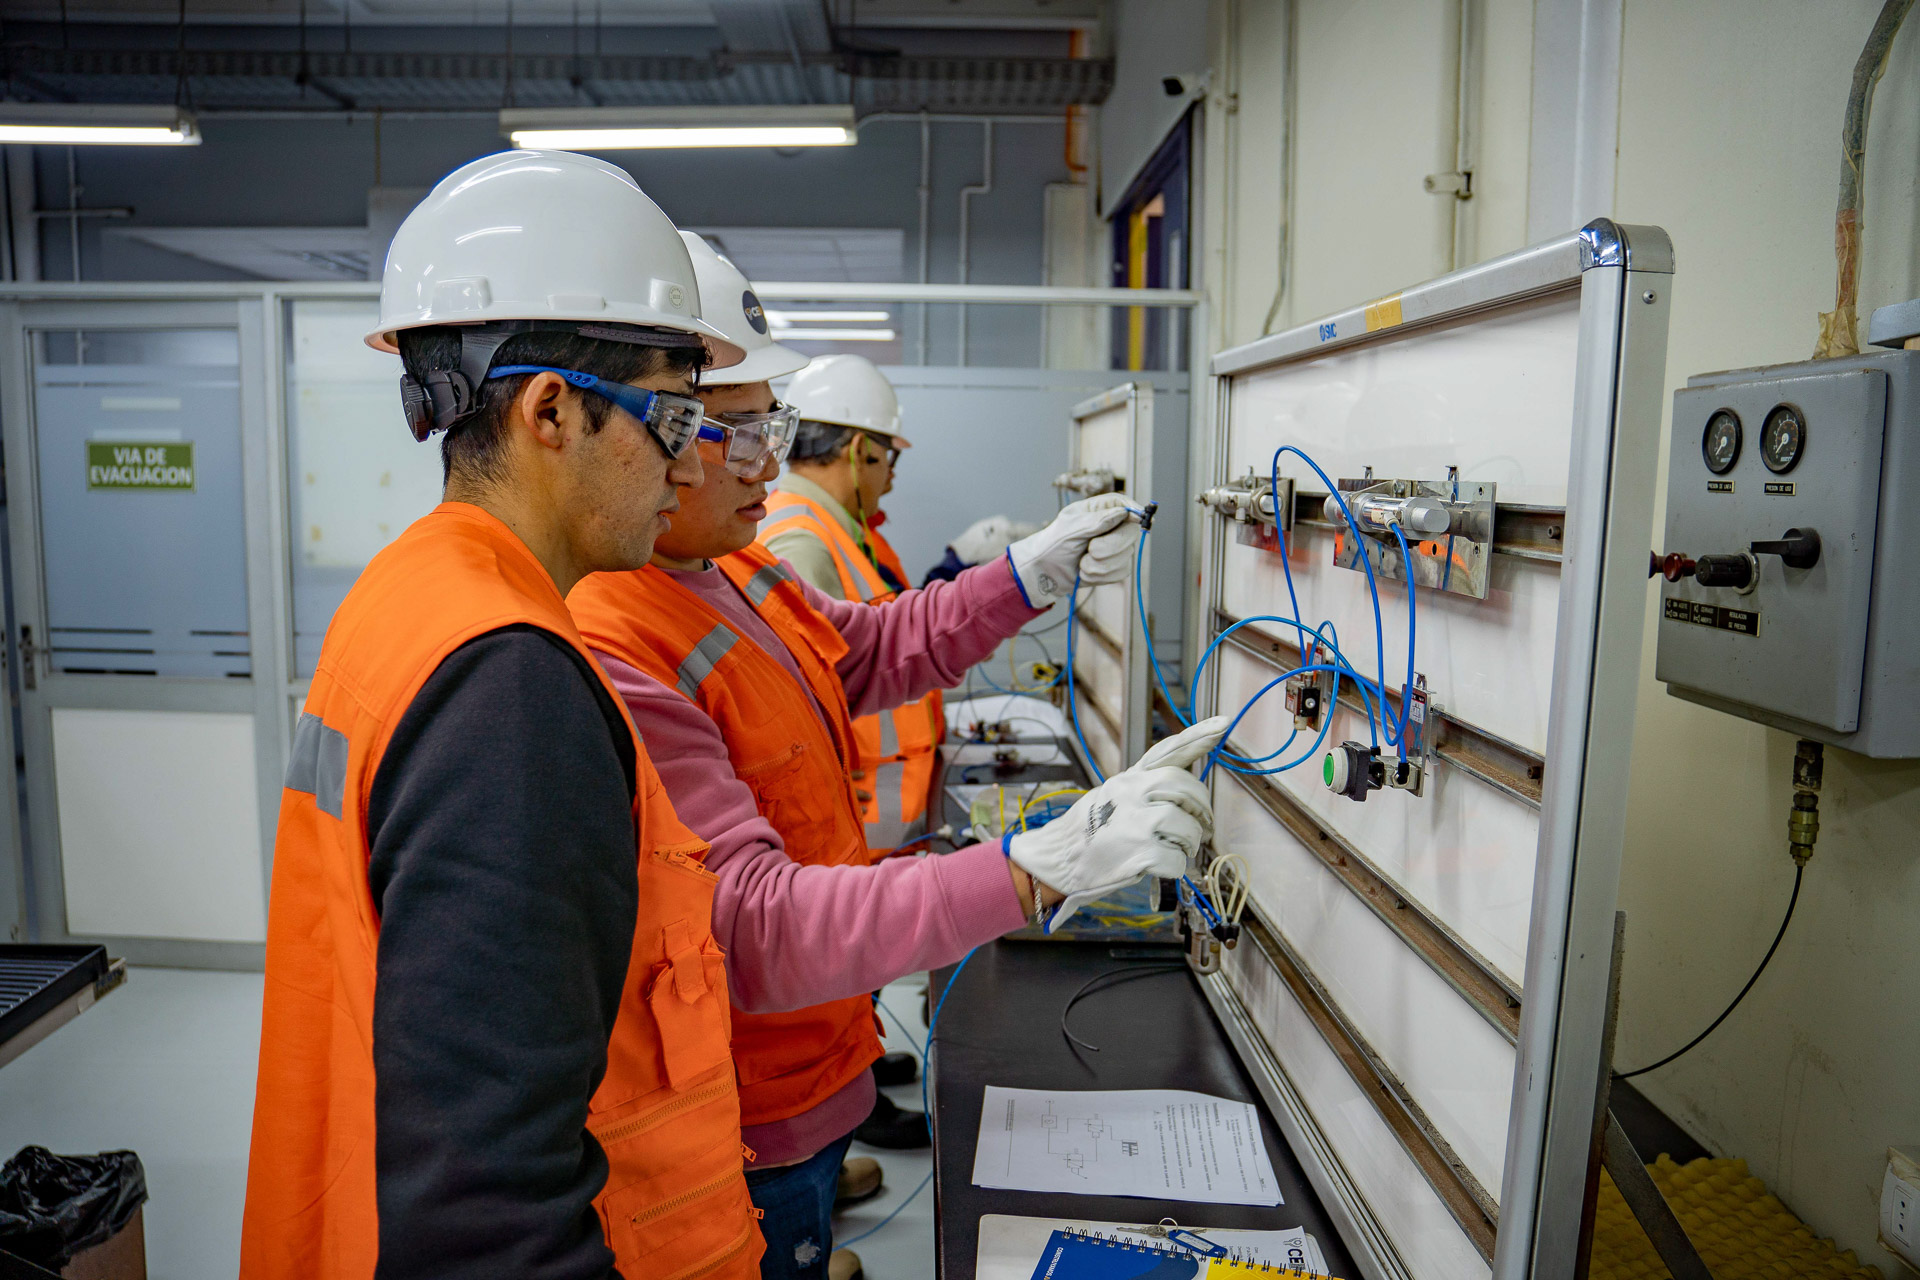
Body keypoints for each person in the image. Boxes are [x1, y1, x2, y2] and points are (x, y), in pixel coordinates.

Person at [566, 237, 1231, 1280]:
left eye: (772, 429)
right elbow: (751, 922)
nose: (768, 463)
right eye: (734, 431)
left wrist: (1021, 575)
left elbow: (867, 649)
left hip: (820, 1041)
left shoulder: (730, 567)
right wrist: (1033, 867)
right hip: (740, 1095)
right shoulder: (610, 633)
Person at [240, 152, 767, 1280]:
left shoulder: (410, 596)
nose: (687, 468)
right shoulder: (509, 689)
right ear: (551, 411)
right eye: (674, 418)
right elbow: (488, 1211)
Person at [759, 356, 936, 857]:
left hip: (875, 823)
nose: (891, 479)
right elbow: (790, 695)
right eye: (889, 458)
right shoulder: (802, 540)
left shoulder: (829, 528)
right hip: (856, 835)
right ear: (860, 450)